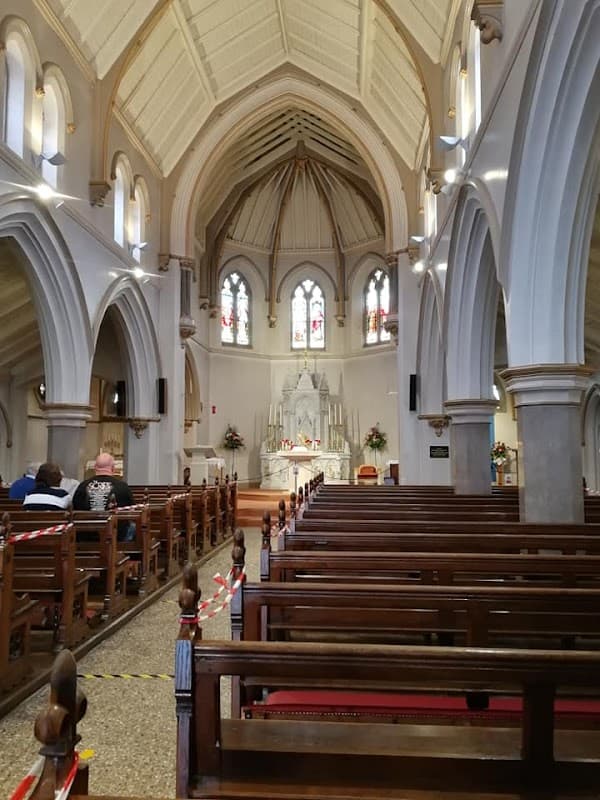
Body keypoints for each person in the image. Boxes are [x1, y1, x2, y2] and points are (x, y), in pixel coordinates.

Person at [72, 453, 135, 541]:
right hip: (115, 535)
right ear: (113, 468)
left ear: (95, 467)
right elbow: (132, 510)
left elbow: (75, 508)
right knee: (132, 526)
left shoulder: (83, 486)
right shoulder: (122, 487)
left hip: (86, 535)